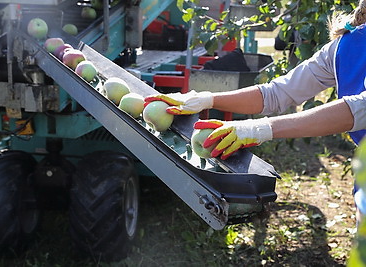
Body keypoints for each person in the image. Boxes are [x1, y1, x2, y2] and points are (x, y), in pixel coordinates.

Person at [145, 0, 366, 220]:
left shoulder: (346, 46)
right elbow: (276, 93)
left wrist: (260, 128)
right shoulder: (344, 47)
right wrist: (205, 99)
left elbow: (360, 108)